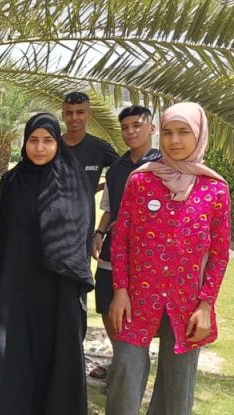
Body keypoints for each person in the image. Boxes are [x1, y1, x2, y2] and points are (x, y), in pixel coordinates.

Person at [79, 102, 231, 415]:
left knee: (178, 376)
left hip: (187, 301)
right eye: (169, 132)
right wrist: (120, 291)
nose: (174, 140)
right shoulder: (141, 180)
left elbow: (220, 253)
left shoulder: (214, 190)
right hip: (137, 297)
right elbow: (122, 239)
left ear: (199, 135)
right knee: (126, 366)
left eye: (183, 132)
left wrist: (206, 305)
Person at [0, 113, 94, 415]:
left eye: (48, 140)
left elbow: (82, 229)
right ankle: (14, 409)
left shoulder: (73, 179)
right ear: (25, 143)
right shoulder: (11, 181)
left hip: (59, 280)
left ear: (58, 143)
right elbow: (5, 233)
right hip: (18, 277)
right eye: (33, 140)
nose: (40, 147)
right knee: (16, 341)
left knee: (57, 344)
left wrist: (69, 272)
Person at [88, 106, 162, 384]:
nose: (130, 132)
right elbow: (110, 207)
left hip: (147, 254)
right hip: (114, 248)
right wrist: (99, 232)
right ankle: (122, 362)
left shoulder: (163, 167)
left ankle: (130, 369)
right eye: (125, 127)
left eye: (137, 125)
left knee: (138, 310)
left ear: (151, 128)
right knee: (106, 303)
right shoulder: (117, 168)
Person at [62, 92, 119, 193]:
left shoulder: (100, 147)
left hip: (87, 204)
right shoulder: (52, 147)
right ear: (63, 116)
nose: (74, 117)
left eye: (80, 112)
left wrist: (99, 188)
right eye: (69, 113)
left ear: (89, 114)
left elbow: (124, 170)